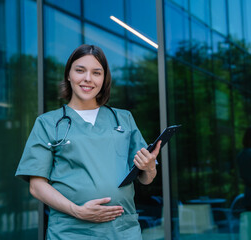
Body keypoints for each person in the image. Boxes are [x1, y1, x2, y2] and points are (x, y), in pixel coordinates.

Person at [15, 44, 161, 239]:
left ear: (104, 79)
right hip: (72, 231)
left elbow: (145, 177)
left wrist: (150, 167)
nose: (88, 79)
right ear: (68, 75)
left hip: (122, 230)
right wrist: (77, 210)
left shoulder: (123, 119)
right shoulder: (48, 123)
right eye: (80, 70)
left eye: (96, 73)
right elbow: (37, 186)